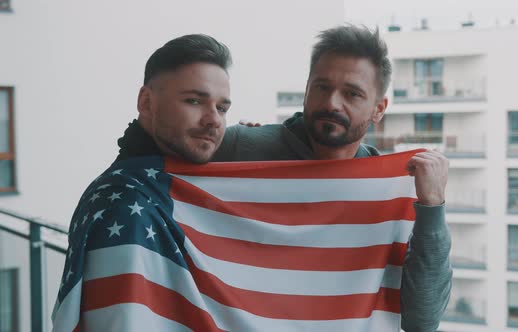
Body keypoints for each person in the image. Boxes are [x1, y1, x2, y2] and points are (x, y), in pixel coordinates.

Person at [212, 25, 452, 332]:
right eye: (322, 87)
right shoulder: (242, 147)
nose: (331, 103)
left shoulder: (393, 187)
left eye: (351, 94)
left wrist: (433, 208)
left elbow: (422, 319)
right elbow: (150, 166)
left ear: (379, 109)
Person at [52, 34, 233, 331]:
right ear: (146, 102)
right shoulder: (123, 204)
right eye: (194, 101)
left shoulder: (178, 182)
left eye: (222, 108)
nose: (213, 120)